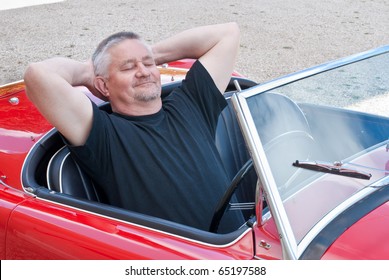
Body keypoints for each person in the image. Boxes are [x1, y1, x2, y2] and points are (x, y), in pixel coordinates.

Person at [24, 22, 243, 232]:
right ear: (103, 85)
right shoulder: (104, 134)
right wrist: (86, 73)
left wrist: (149, 53)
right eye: (128, 67)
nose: (144, 72)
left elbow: (227, 33)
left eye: (149, 65)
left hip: (245, 244)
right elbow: (38, 75)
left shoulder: (192, 103)